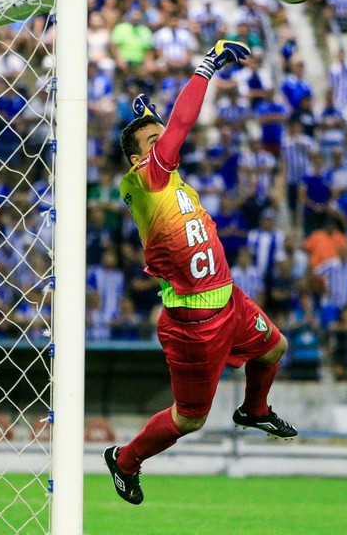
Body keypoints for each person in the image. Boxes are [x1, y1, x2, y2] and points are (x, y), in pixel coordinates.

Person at [104, 41, 296, 505]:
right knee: (190, 419)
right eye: (155, 142)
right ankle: (125, 460)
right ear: (136, 159)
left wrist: (146, 116)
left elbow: (168, 133)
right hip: (194, 323)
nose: (167, 141)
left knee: (274, 348)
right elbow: (182, 125)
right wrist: (207, 67)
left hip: (228, 298)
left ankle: (254, 410)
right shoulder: (145, 181)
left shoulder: (165, 177)